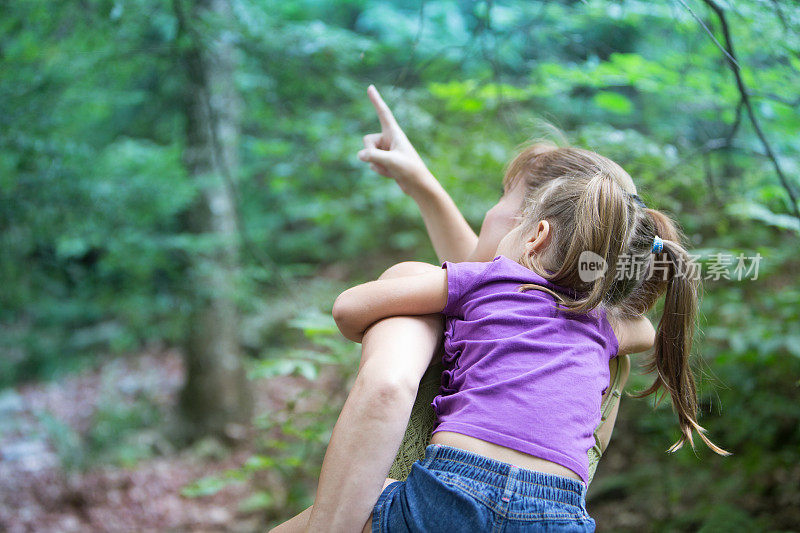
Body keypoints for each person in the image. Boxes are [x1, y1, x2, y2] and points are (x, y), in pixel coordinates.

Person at [271, 86, 730, 532]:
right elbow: (495, 279)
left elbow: (390, 355)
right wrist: (422, 183)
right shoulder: (606, 336)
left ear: (534, 227)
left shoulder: (458, 286)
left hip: (449, 495)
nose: (488, 215)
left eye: (500, 198)